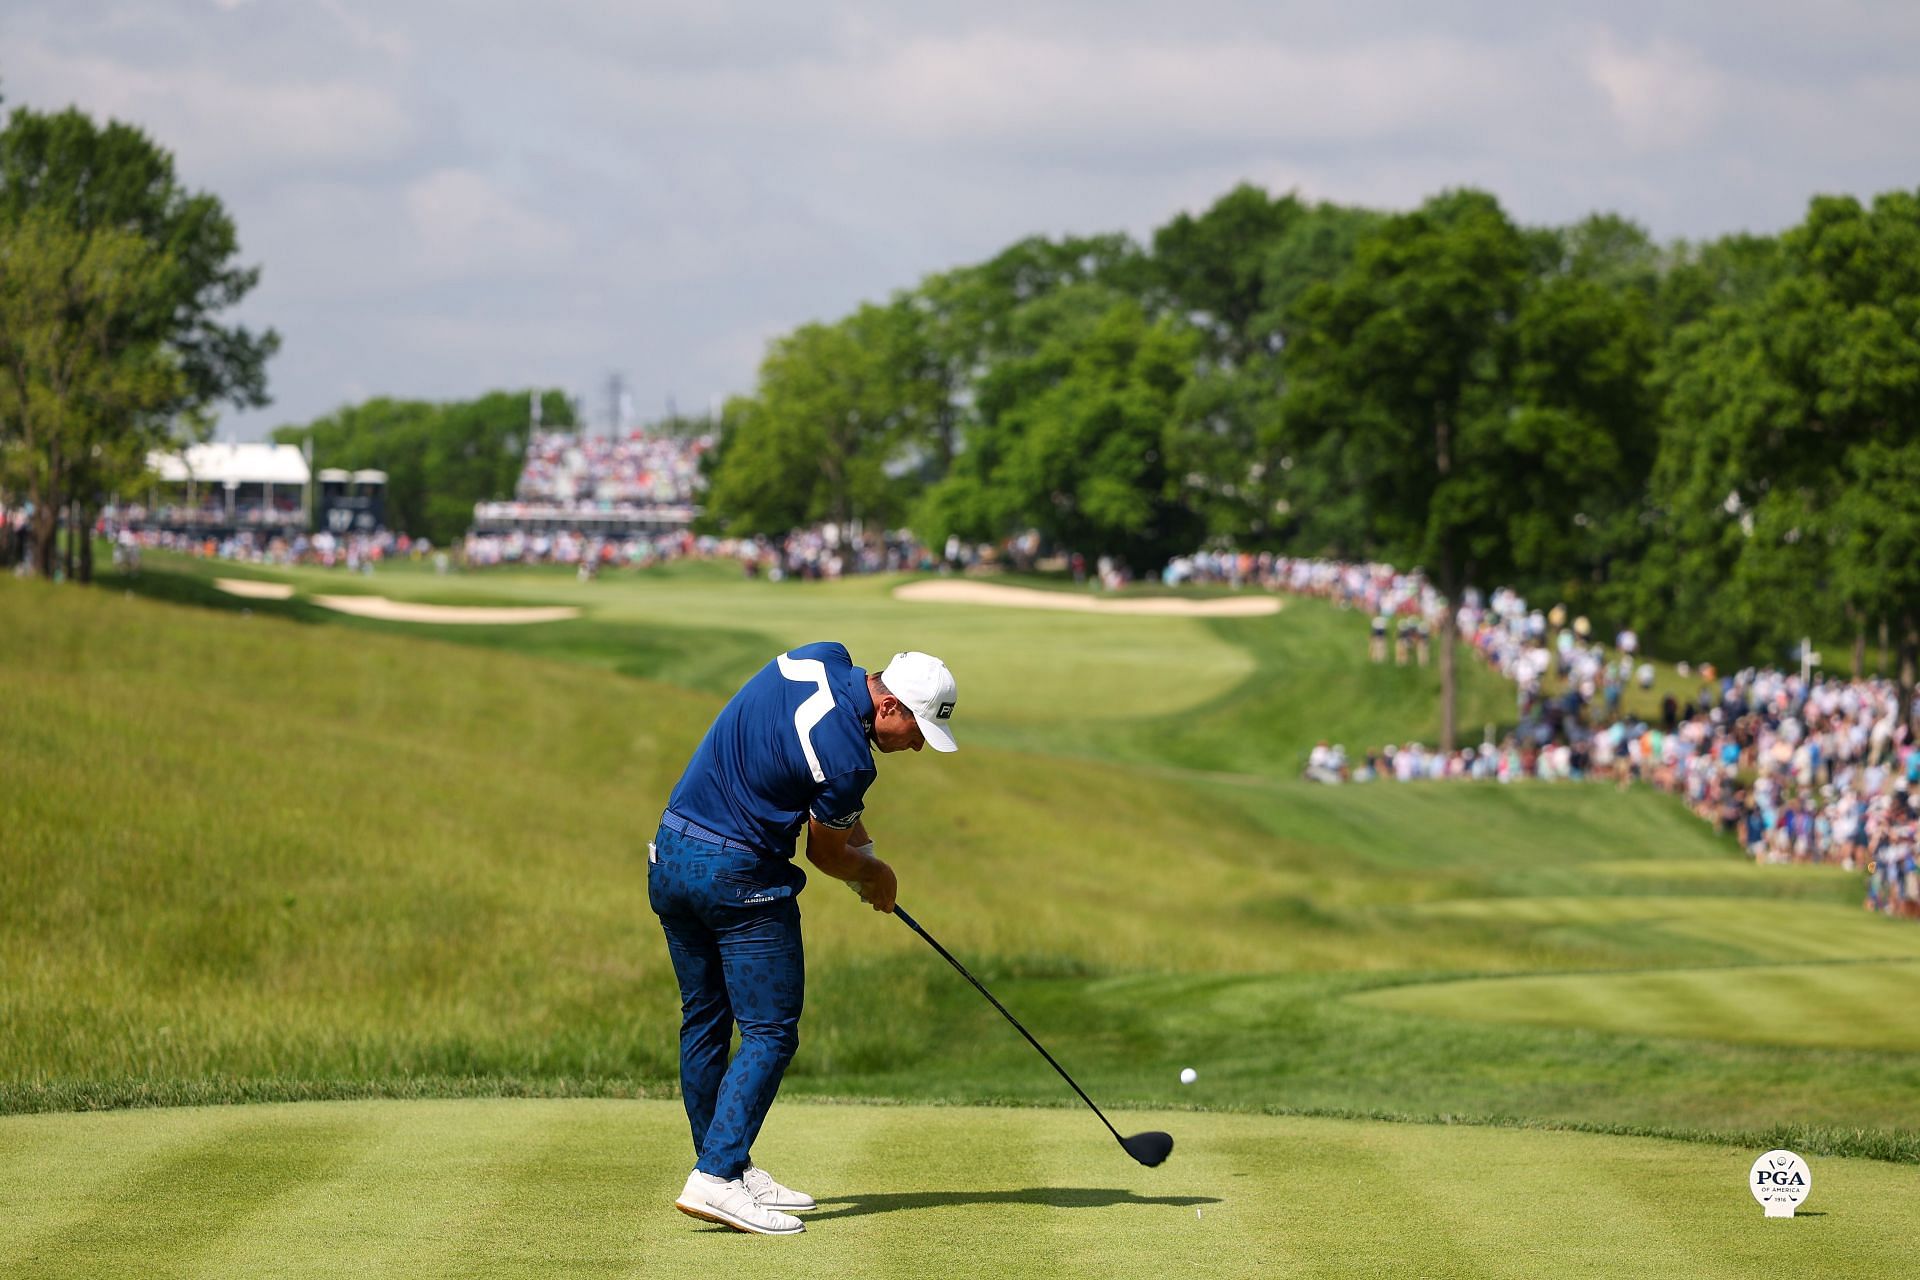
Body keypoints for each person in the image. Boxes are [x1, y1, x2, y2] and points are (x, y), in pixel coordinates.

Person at [650, 643, 959, 1235]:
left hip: (672, 854)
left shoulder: (822, 656)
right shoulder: (852, 762)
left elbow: (824, 803)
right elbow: (824, 852)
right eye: (917, 729)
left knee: (706, 1020)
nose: (918, 744)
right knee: (769, 1030)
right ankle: (714, 1178)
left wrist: (862, 856)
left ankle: (726, 1166)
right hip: (737, 878)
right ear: (889, 706)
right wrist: (874, 875)